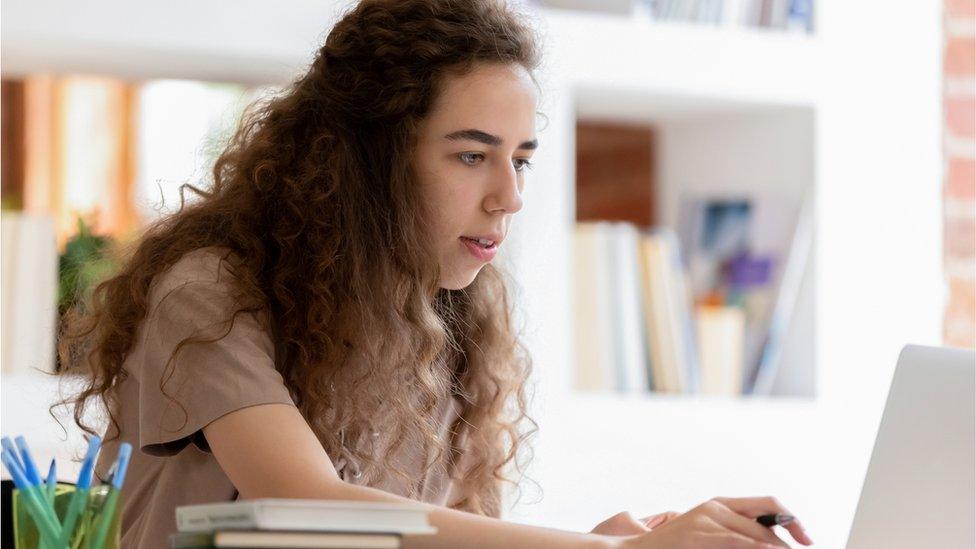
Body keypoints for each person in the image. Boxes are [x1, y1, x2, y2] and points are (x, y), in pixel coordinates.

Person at [56, 1, 815, 547]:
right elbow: (304, 505)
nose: (509, 196)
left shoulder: (447, 316)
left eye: (519, 159)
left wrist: (596, 541)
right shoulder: (210, 294)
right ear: (368, 159)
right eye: (471, 155)